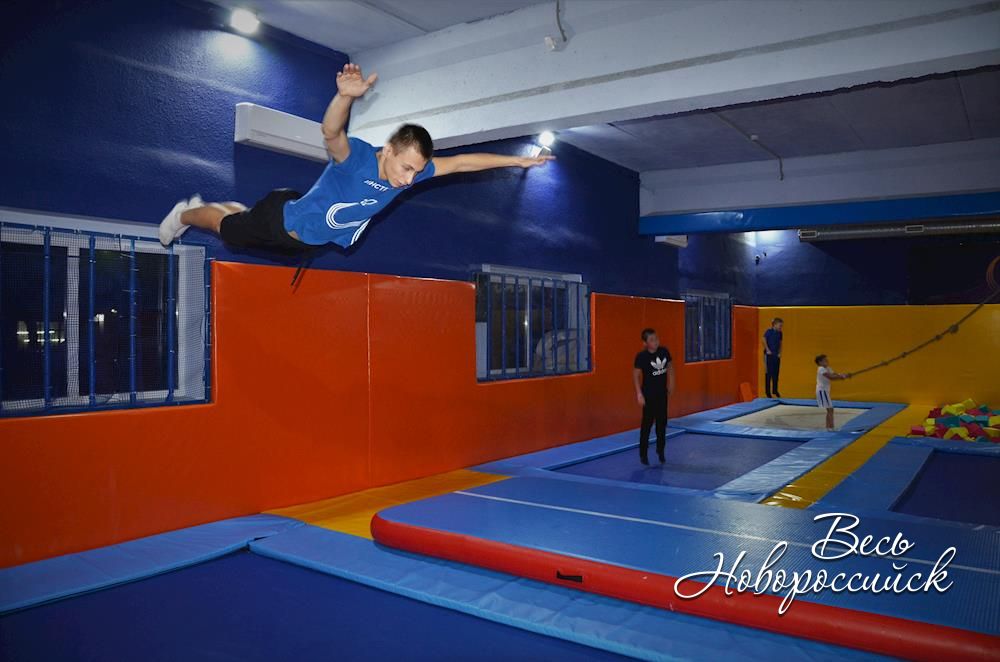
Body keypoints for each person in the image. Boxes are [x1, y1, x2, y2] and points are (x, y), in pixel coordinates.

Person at [158, 63, 554, 267]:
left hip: (304, 242)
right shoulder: (358, 159)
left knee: (237, 222)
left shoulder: (411, 174)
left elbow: (464, 162)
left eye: (417, 172)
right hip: (282, 222)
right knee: (225, 229)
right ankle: (185, 213)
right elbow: (331, 133)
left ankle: (226, 211)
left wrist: (519, 161)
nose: (409, 179)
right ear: (389, 150)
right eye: (406, 168)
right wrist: (345, 97)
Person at [632, 328, 675, 465]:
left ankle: (660, 450)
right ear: (645, 343)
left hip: (662, 394)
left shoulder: (664, 352)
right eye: (651, 340)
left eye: (656, 339)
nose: (655, 342)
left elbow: (670, 367)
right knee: (647, 425)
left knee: (662, 424)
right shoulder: (642, 357)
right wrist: (639, 393)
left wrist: (671, 383)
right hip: (648, 395)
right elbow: (636, 375)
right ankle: (643, 453)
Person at [815, 354, 849, 431]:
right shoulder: (821, 369)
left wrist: (843, 375)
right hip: (822, 390)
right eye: (825, 360)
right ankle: (831, 428)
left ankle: (828, 428)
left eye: (827, 360)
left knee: (830, 410)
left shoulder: (827, 368)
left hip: (825, 391)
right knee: (830, 409)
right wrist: (841, 377)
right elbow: (831, 377)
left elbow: (834, 374)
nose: (827, 361)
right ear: (820, 362)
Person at [762, 317, 783, 398]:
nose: (781, 327)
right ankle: (768, 392)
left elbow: (780, 343)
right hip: (769, 355)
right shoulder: (769, 331)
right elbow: (763, 339)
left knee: (776, 373)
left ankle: (775, 390)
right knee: (768, 373)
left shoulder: (780, 333)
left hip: (776, 355)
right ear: (775, 325)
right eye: (780, 325)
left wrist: (779, 352)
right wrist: (767, 349)